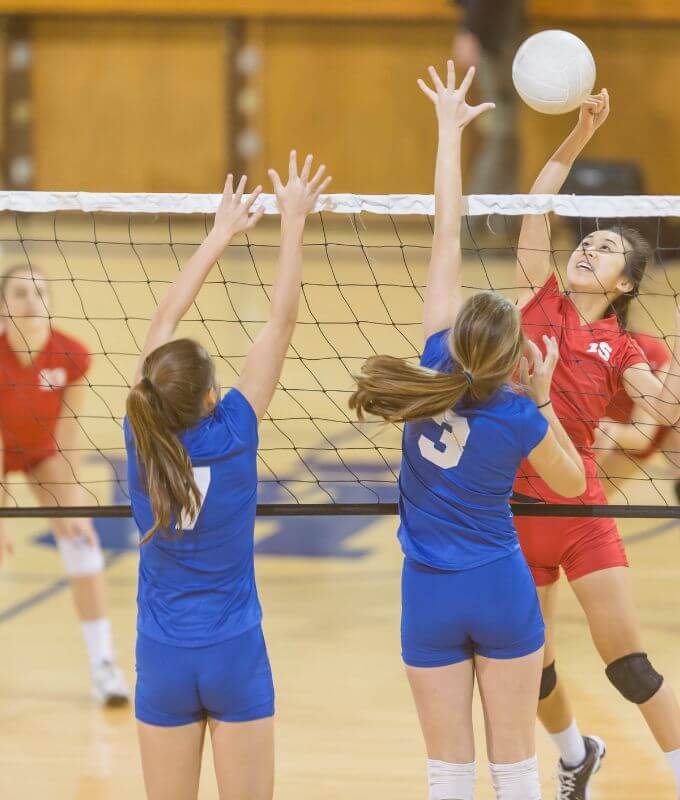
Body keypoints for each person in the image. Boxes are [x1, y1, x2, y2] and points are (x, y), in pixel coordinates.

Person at [350, 61, 586, 800]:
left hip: (428, 592)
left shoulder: (425, 371)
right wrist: (545, 402)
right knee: (515, 765)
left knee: (447, 771)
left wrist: (449, 129)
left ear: (458, 342)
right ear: (515, 361)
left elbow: (446, 226)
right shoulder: (519, 416)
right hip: (499, 587)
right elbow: (574, 485)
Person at [125, 157, 330, 800]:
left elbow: (161, 324)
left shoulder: (142, 432)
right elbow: (280, 324)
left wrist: (216, 235)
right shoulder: (236, 431)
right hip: (233, 651)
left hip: (162, 654)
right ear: (214, 397)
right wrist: (291, 223)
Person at [513, 88, 680, 799]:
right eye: (589, 239)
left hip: (577, 512)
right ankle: (574, 752)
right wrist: (577, 135)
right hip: (512, 510)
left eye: (607, 248)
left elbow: (660, 405)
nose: (589, 246)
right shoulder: (538, 298)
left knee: (628, 664)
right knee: (532, 668)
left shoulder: (627, 347)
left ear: (625, 283)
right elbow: (536, 203)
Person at [0, 263, 129, 706]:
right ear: (3, 306)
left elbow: (68, 436)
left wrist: (72, 504)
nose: (31, 302)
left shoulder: (71, 355)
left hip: (41, 454)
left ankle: (104, 666)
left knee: (82, 541)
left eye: (40, 293)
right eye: (19, 293)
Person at [595, 331, 680, 504]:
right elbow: (641, 436)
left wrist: (608, 431)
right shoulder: (650, 351)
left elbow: (641, 438)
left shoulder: (654, 354)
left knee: (585, 503)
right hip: (625, 433)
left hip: (628, 439)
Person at [451, 0, 525, 198]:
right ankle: (471, 219)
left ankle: (502, 219)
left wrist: (469, 28)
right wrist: (469, 29)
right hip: (495, 39)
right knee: (501, 134)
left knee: (504, 135)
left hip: (498, 37)